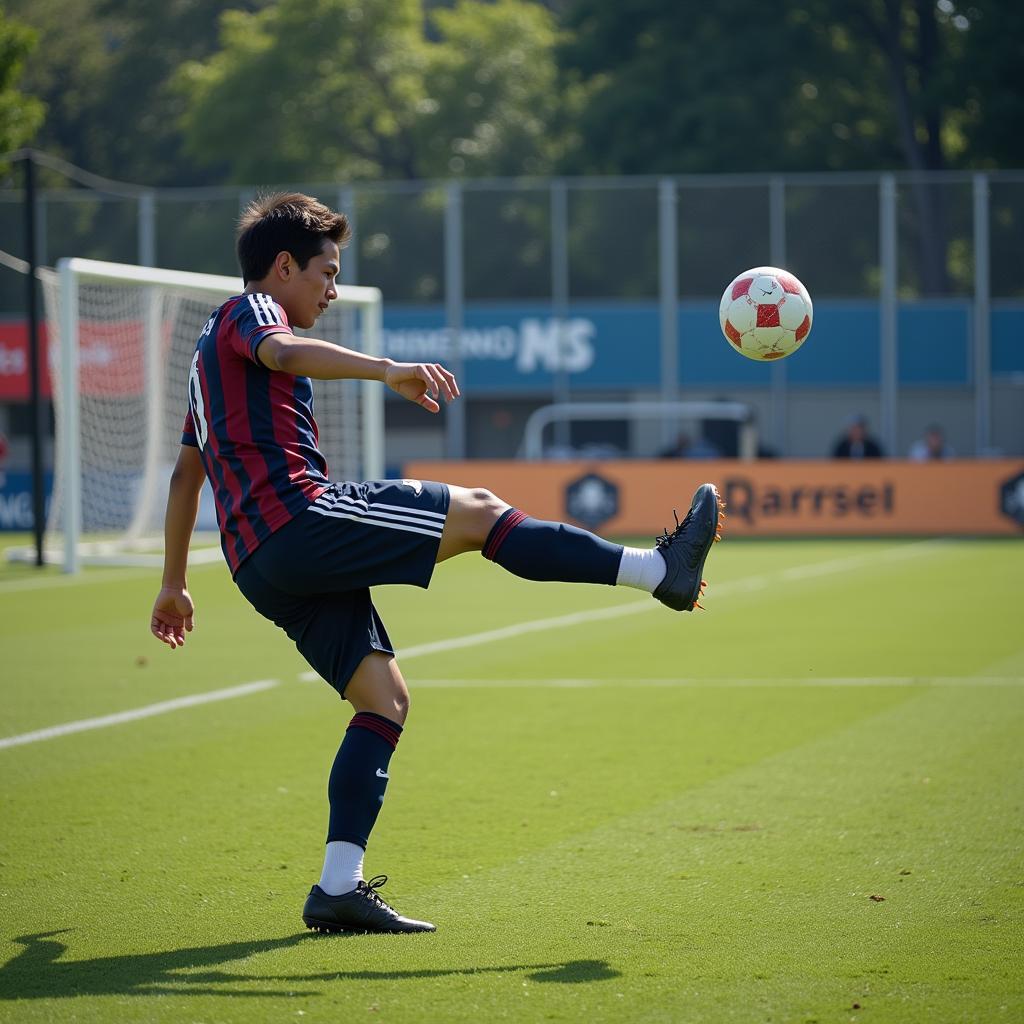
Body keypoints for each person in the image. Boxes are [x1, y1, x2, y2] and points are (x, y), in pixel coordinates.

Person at [149, 193, 725, 936]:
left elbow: (186, 476)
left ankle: (337, 888)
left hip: (258, 563)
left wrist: (173, 584)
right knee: (480, 512)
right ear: (282, 266)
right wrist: (388, 368)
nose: (332, 288)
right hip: (299, 519)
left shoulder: (204, 357)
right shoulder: (255, 313)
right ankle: (659, 573)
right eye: (325, 273)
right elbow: (285, 355)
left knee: (383, 704)